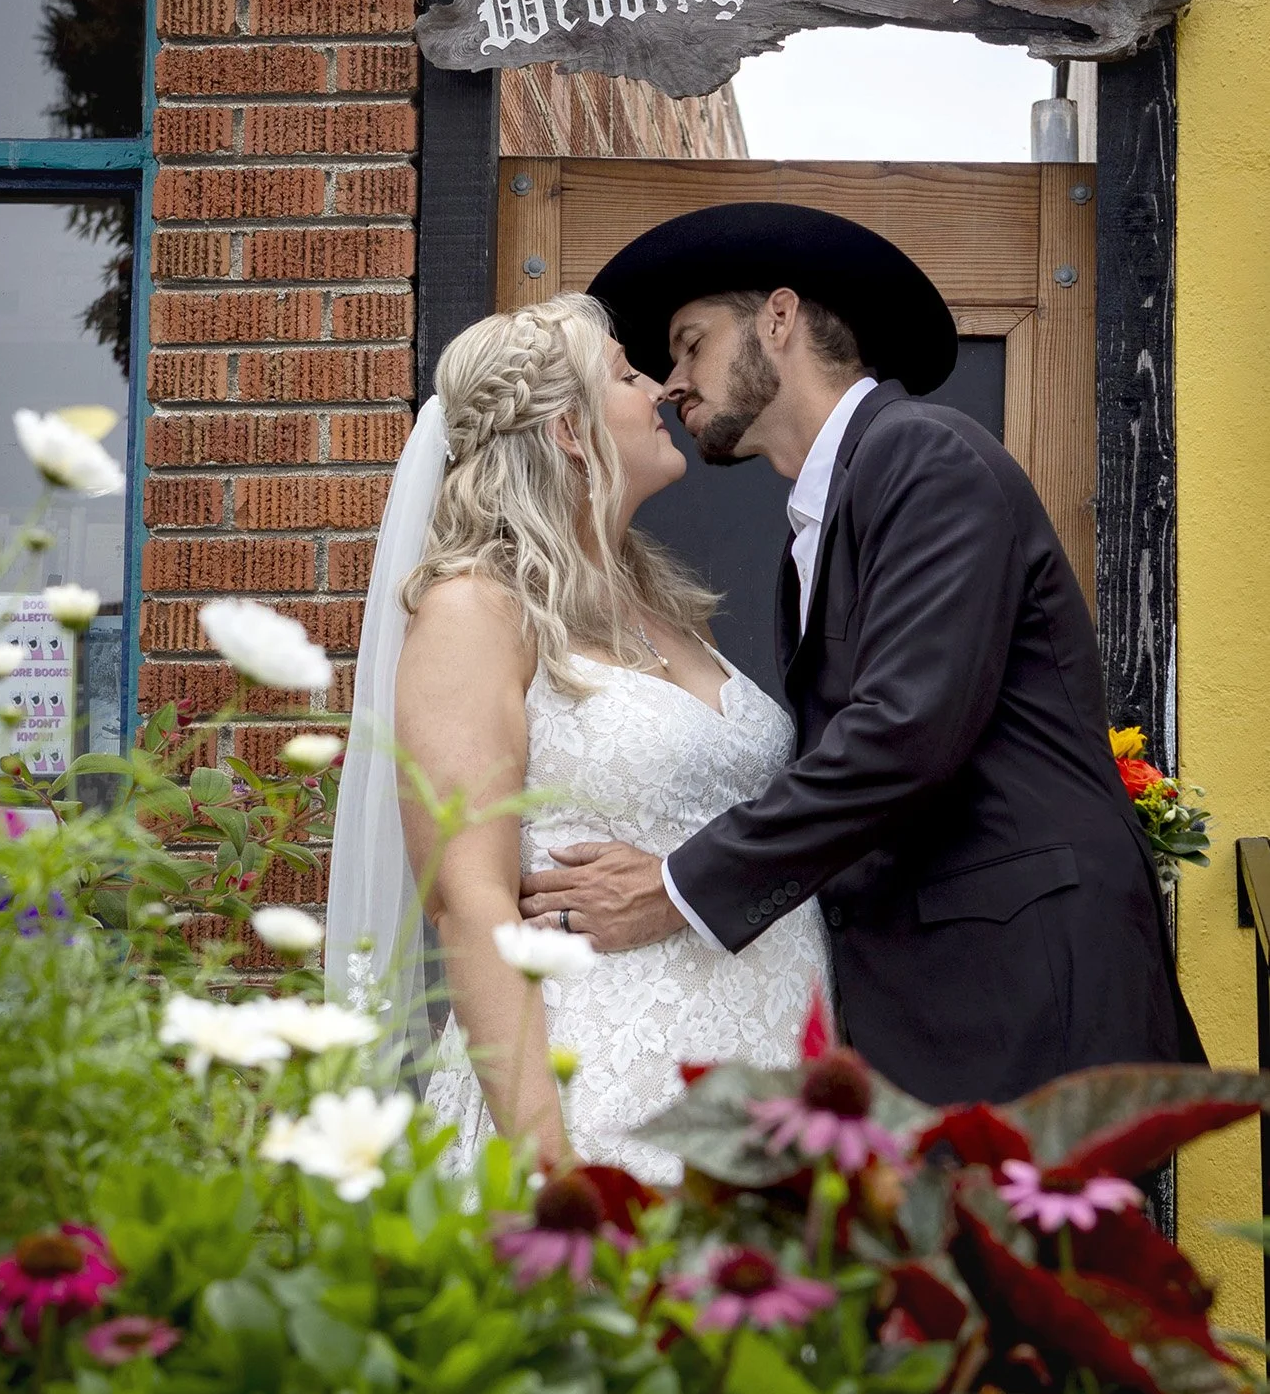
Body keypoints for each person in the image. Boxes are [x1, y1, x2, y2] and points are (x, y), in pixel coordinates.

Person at [519, 203, 1205, 1105]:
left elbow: (904, 732)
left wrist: (674, 887)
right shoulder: (828, 513)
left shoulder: (924, 457)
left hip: (1025, 990)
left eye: (690, 345)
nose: (672, 384)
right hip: (944, 1001)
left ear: (778, 316)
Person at [325, 293, 827, 1183]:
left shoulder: (662, 611)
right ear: (567, 428)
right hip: (603, 1087)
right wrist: (548, 1166)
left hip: (766, 1075)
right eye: (630, 375)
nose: (664, 391)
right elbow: (464, 899)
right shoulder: (473, 610)